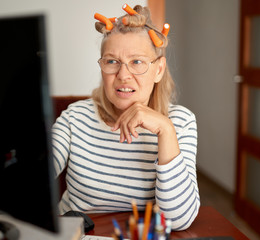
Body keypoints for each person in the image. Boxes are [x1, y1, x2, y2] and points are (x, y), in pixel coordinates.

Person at [52, 4, 200, 231]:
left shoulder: (180, 123)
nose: (123, 75)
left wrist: (165, 131)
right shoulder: (75, 117)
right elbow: (30, 181)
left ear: (158, 69)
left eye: (137, 62)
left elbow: (178, 220)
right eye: (111, 61)